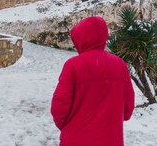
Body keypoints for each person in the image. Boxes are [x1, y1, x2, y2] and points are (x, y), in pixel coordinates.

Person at [51, 16, 135, 146]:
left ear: (81, 38)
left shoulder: (73, 65)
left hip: (76, 140)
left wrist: (69, 127)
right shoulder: (120, 65)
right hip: (111, 140)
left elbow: (59, 105)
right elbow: (128, 109)